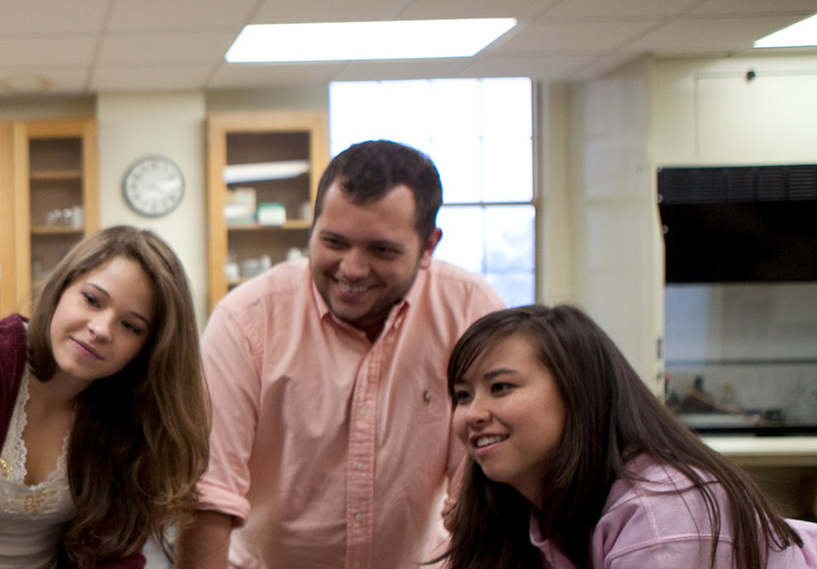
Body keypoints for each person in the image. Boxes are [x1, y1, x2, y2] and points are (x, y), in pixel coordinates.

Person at [177, 140, 505, 569]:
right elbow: (209, 493)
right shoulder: (247, 320)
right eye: (334, 241)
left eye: (381, 250)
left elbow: (481, 490)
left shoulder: (469, 311)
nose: (351, 269)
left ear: (428, 246)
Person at [0, 226, 211, 568]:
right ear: (63, 287)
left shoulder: (130, 419)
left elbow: (117, 554)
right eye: (92, 300)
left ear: (148, 349)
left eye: (131, 326)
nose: (101, 329)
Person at [444, 304, 817, 569]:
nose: (473, 414)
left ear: (578, 393)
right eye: (463, 395)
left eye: (501, 387)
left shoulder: (664, 514)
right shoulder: (524, 511)